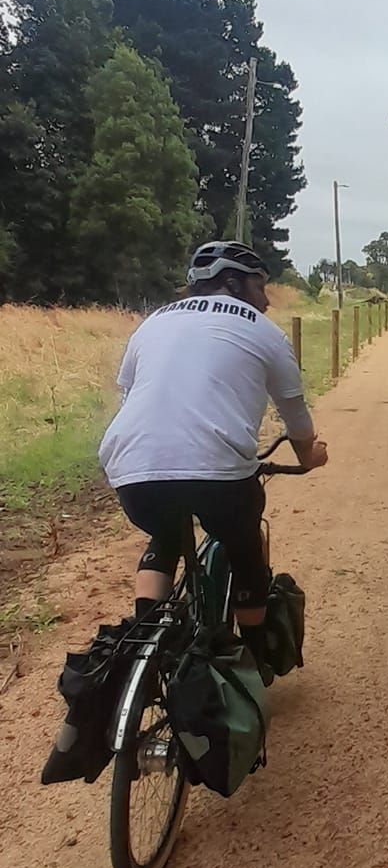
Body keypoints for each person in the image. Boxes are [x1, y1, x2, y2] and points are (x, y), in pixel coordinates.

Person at [98, 241, 327, 662]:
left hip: (133, 470)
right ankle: (256, 659)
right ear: (232, 281)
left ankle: (146, 641)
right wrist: (308, 456)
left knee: (166, 533)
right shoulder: (263, 331)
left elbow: (131, 393)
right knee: (245, 548)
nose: (267, 299)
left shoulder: (152, 323)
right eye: (261, 286)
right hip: (218, 476)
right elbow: (297, 419)